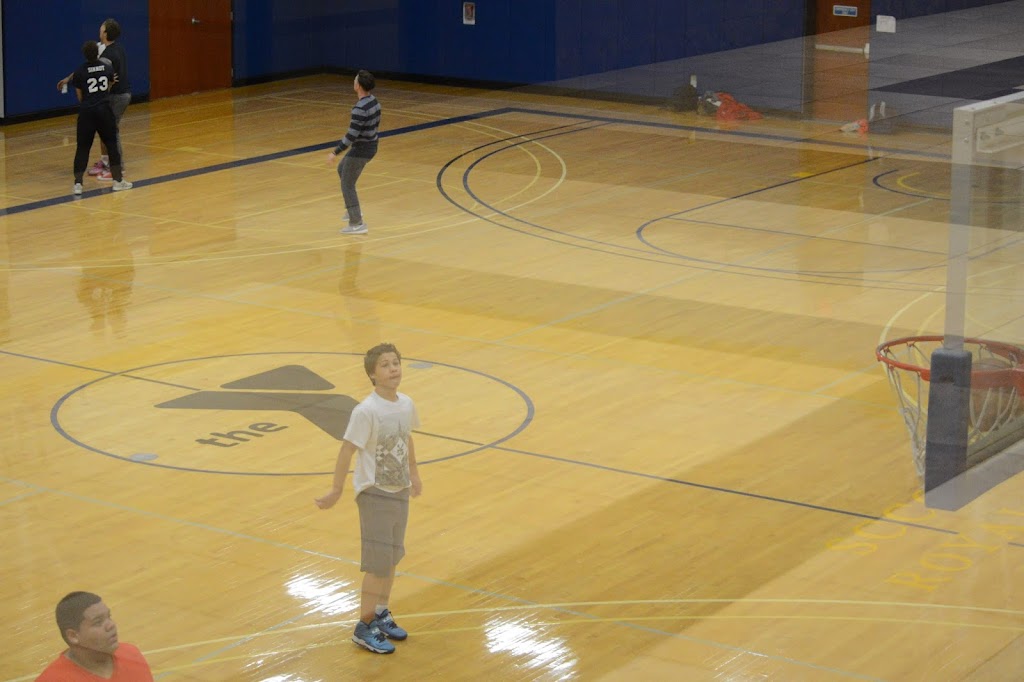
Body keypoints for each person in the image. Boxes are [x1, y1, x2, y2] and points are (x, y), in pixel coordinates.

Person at [315, 342, 423, 655]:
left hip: (399, 491)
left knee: (390, 559)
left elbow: (407, 439)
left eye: (396, 363)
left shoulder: (405, 404)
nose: (393, 369)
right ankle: (363, 627)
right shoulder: (366, 411)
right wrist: (336, 489)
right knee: (377, 566)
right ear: (372, 375)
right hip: (375, 494)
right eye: (386, 365)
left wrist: (413, 475)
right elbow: (347, 449)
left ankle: (380, 614)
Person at [58, 19, 131, 180]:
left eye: (101, 28)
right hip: (117, 95)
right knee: (104, 129)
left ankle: (118, 168)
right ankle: (106, 161)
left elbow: (103, 75)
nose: (99, 29)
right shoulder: (110, 48)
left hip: (117, 96)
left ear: (105, 33)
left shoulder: (109, 55)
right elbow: (87, 67)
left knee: (112, 131)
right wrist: (68, 78)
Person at [36, 591, 153, 681]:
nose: (110, 625)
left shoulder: (132, 654)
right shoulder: (52, 680)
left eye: (109, 617)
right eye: (98, 622)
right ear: (73, 636)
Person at [68, 40, 132, 195]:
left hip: (87, 113)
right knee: (111, 145)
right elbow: (109, 86)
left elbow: (80, 95)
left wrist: (88, 102)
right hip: (104, 110)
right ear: (97, 53)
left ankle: (78, 184)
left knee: (83, 148)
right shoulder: (107, 67)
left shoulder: (80, 71)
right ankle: (117, 181)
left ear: (84, 54)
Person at [326, 70, 381, 235]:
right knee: (342, 170)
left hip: (361, 150)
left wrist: (335, 152)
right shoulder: (375, 102)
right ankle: (352, 209)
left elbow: (351, 136)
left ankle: (357, 222)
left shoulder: (359, 109)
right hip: (371, 145)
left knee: (347, 184)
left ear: (358, 86)